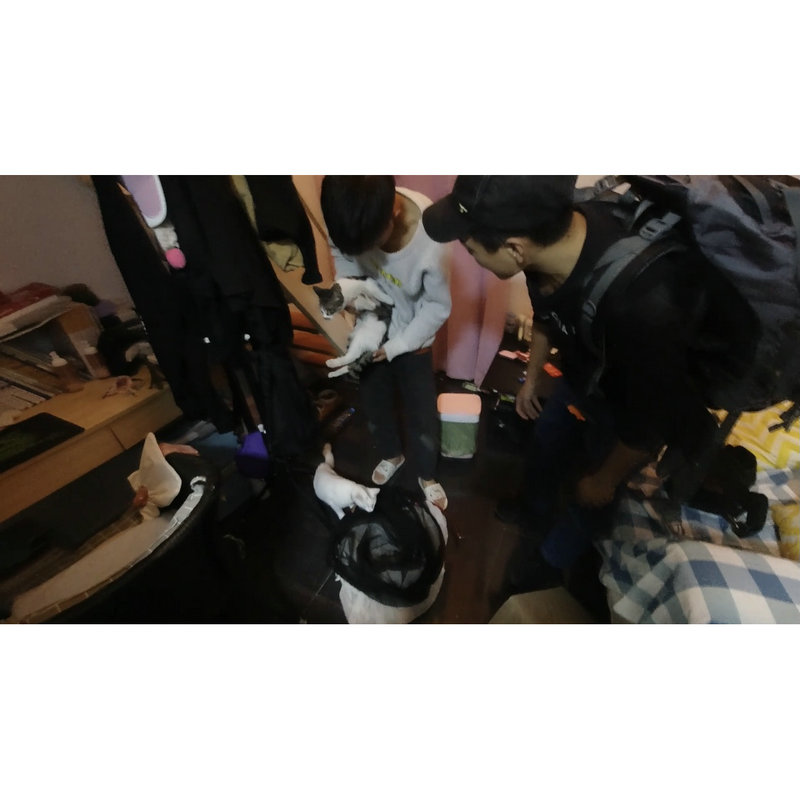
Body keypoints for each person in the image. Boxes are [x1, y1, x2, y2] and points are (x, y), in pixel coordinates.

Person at [422, 175, 757, 594]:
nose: (471, 259)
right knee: (547, 437)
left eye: (472, 251)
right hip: (586, 371)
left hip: (631, 405)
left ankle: (546, 567)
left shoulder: (645, 305)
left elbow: (649, 423)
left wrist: (604, 480)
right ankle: (533, 511)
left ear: (514, 249)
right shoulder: (554, 238)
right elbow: (547, 312)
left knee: (593, 495)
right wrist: (531, 379)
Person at [319, 176, 452, 510]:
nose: (362, 252)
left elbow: (437, 306)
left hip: (413, 336)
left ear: (393, 210)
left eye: (368, 244)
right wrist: (350, 295)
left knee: (421, 410)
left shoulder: (431, 237)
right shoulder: (345, 218)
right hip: (372, 327)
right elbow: (344, 260)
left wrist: (397, 345)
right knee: (374, 401)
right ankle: (392, 454)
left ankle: (426, 473)